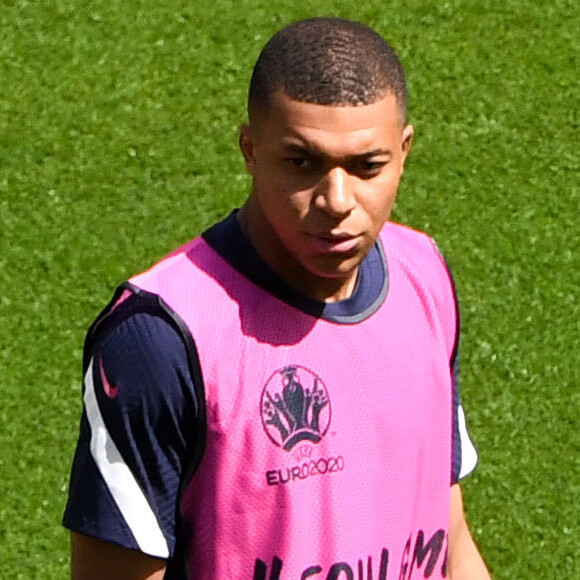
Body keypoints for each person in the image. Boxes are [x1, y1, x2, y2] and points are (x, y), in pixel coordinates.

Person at [63, 17, 492, 580]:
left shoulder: (423, 277)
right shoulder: (160, 340)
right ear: (250, 149)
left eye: (367, 166)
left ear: (404, 151)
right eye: (302, 163)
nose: (337, 200)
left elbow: (446, 533)